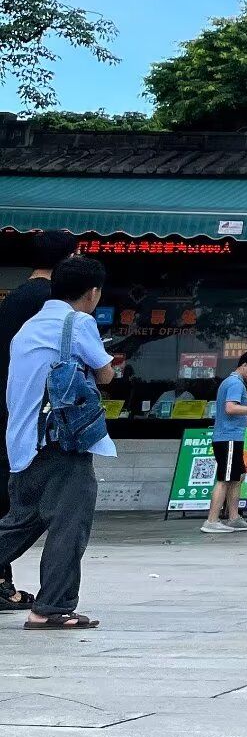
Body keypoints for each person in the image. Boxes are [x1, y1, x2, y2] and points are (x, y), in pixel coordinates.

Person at [0, 255, 119, 629]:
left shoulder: (29, 326)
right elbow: (105, 374)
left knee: (19, 524)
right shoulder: (78, 323)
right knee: (70, 524)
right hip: (60, 443)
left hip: (22, 442)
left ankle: (51, 605)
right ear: (93, 292)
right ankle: (51, 608)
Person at [0, 228, 76, 609]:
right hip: (30, 416)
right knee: (20, 508)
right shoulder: (50, 303)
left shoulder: (16, 296)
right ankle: (5, 586)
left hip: (10, 408)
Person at [203, 351, 247, 533]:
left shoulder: (232, 382)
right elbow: (231, 408)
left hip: (232, 437)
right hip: (228, 437)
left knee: (236, 477)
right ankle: (212, 520)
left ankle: (233, 518)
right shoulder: (235, 383)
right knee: (225, 479)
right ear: (244, 365)